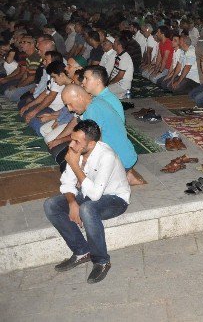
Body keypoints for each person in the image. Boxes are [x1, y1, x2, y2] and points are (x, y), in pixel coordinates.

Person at [43, 120, 130, 284]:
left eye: (77, 141)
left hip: (115, 199)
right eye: (72, 139)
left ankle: (102, 261)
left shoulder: (107, 156)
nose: (72, 144)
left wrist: (75, 166)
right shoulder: (76, 150)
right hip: (88, 194)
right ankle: (81, 251)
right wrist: (72, 203)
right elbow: (67, 183)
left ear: (91, 143)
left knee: (88, 209)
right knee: (51, 205)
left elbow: (96, 195)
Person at [60, 85, 141, 185]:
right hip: (127, 157)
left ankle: (121, 174)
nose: (69, 109)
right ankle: (126, 174)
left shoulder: (93, 110)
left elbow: (95, 146)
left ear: (79, 97)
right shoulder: (95, 102)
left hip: (121, 161)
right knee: (70, 157)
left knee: (67, 167)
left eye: (70, 104)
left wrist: (80, 171)